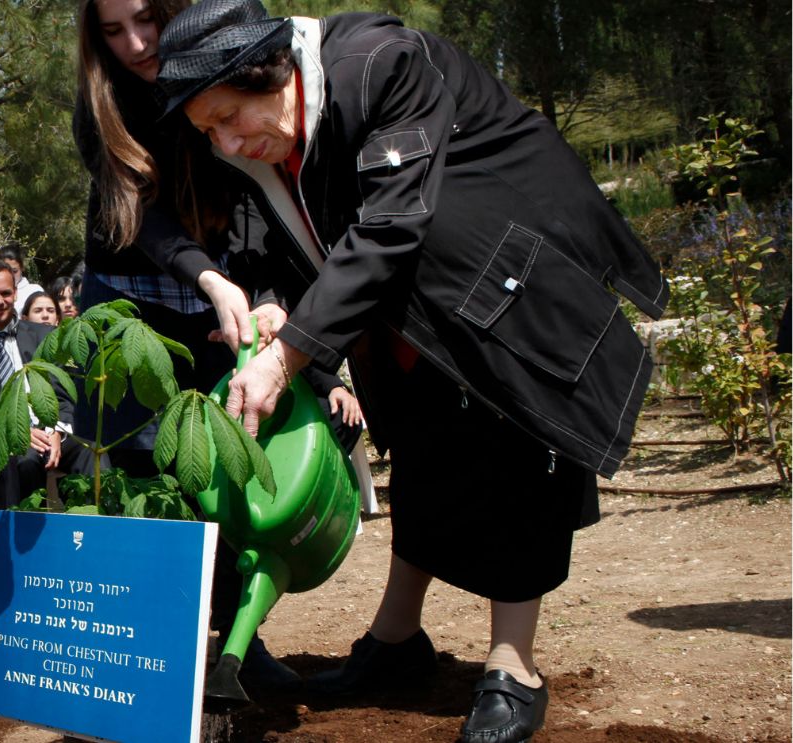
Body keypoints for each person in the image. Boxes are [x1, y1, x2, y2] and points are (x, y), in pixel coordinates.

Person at [155, 2, 669, 740]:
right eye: (209, 130)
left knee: (517, 461)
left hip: (509, 289)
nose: (227, 141)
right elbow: (297, 241)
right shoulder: (273, 134)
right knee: (424, 459)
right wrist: (279, 311)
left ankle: (511, 665)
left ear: (267, 70)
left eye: (229, 117)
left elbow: (391, 222)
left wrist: (291, 351)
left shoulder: (380, 64)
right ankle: (397, 643)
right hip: (416, 315)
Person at [74, 0, 297, 694]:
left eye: (144, 19)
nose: (135, 44)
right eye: (111, 31)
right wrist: (207, 276)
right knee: (134, 475)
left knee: (221, 469)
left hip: (224, 297)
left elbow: (261, 188)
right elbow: (136, 213)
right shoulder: (99, 103)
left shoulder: (225, 64)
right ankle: (138, 658)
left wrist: (263, 291)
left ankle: (236, 643)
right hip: (128, 300)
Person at [0, 260, 97, 509]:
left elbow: (63, 392)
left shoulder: (45, 336)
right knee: (25, 460)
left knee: (92, 452)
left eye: (5, 293)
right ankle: (27, 545)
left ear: (15, 293)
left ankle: (92, 537)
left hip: (51, 431)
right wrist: (20, 433)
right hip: (4, 437)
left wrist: (57, 430)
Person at [0, 243, 45, 315]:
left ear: (22, 268)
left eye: (14, 271)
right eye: (5, 271)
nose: (10, 275)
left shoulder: (34, 291)